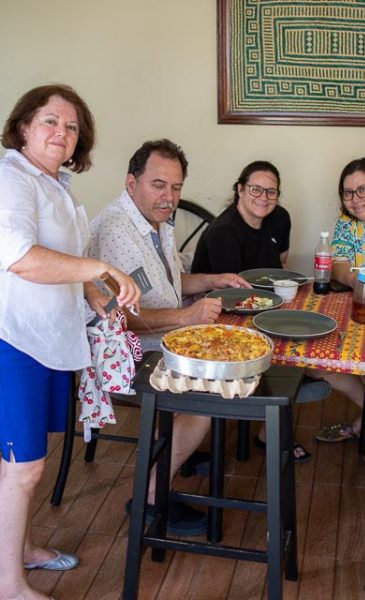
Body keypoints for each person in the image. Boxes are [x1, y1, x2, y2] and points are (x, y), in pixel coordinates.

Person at [0, 84, 140, 600]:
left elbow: (65, 262)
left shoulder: (54, 184)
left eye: (72, 126)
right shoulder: (11, 178)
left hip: (49, 338)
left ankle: (26, 549)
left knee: (27, 463)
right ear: (23, 127)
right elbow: (20, 257)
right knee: (23, 466)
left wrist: (99, 295)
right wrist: (101, 266)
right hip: (14, 339)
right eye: (50, 121)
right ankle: (8, 584)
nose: (62, 132)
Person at [89, 138, 250, 536]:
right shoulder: (115, 230)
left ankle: (175, 445)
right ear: (131, 183)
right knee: (213, 389)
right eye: (158, 185)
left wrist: (212, 280)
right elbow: (119, 319)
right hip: (123, 353)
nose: (169, 197)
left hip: (161, 337)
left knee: (228, 339)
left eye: (176, 187)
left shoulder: (155, 220)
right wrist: (187, 315)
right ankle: (147, 498)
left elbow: (166, 280)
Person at [191, 160, 331, 461]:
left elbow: (280, 266)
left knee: (315, 334)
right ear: (240, 189)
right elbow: (231, 297)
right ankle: (274, 419)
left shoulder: (280, 218)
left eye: (271, 191)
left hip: (267, 305)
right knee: (293, 344)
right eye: (256, 189)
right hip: (224, 315)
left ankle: (282, 400)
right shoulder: (223, 232)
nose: (264, 197)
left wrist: (285, 302)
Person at [314, 157, 365, 442]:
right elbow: (338, 265)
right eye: (348, 192)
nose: (354, 199)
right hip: (360, 308)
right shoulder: (347, 225)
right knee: (316, 361)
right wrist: (360, 281)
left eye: (363, 190)